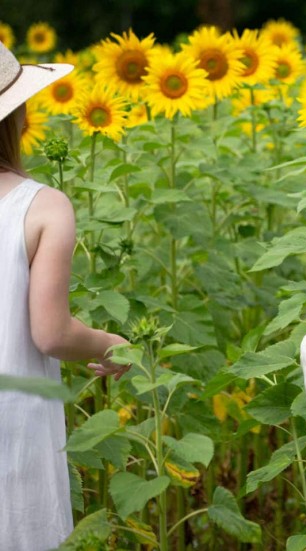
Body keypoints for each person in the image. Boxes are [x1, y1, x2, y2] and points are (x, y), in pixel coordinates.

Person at [0, 42, 130, 549]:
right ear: (19, 114)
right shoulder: (42, 207)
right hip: (13, 427)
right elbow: (51, 333)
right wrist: (111, 344)